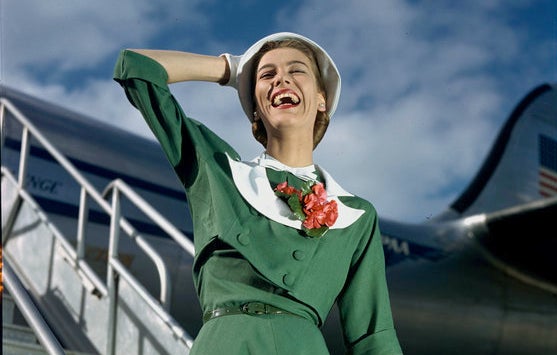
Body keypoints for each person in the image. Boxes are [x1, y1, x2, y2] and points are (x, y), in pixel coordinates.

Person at [114, 32, 403, 355]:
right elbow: (136, 68)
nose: (282, 79)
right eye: (267, 75)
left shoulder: (355, 216)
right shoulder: (219, 170)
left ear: (322, 98)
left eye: (296, 71)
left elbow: (373, 338)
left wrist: (259, 75)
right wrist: (235, 70)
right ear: (255, 106)